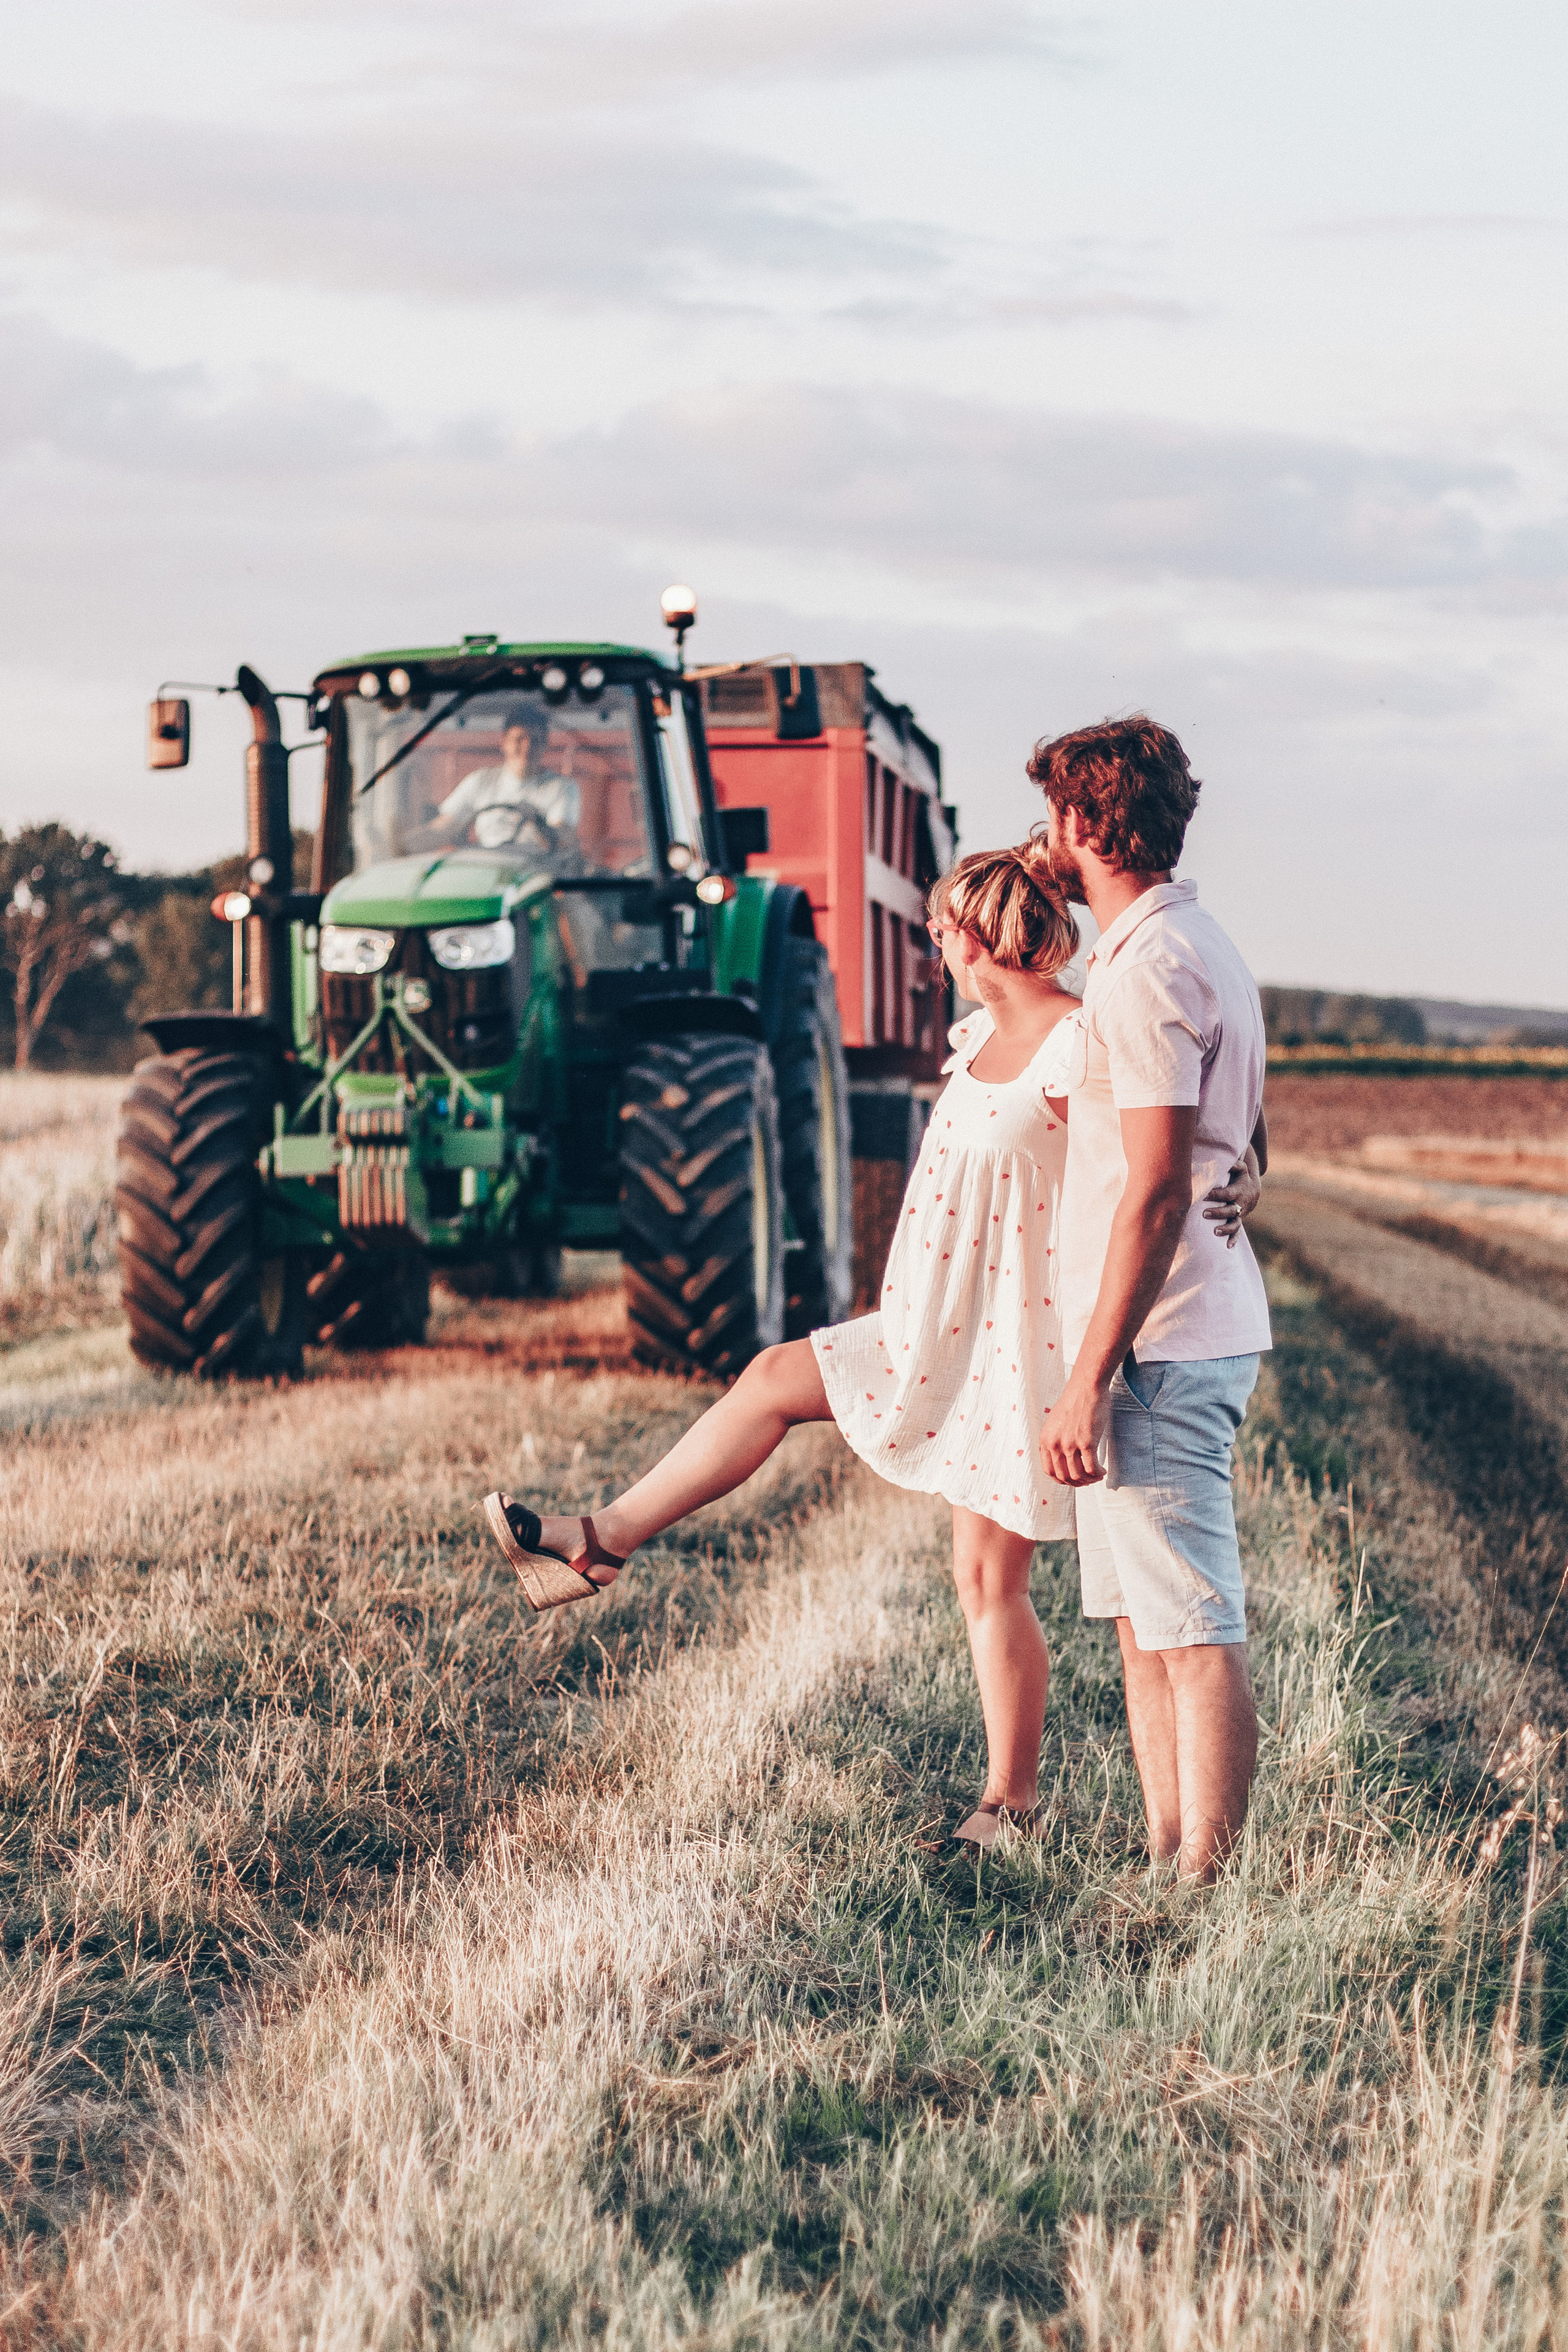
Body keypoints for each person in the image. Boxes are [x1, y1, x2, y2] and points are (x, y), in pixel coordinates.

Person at [481, 846, 1258, 1850]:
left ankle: (1011, 1804)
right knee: (770, 1380)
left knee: (986, 1575)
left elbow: (1170, 1154)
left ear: (970, 937)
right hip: (933, 1321)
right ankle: (600, 1540)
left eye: (939, 925)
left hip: (1019, 1340)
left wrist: (1243, 1176)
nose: (931, 940)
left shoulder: (1077, 1046)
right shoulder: (975, 1038)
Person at [1031, 715, 1271, 1883]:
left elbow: (1158, 1186)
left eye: (1053, 814)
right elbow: (1233, 1137)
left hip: (1158, 1346)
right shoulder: (1186, 943)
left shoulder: (1154, 965)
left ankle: (1206, 1889)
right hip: (1164, 1336)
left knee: (1194, 1627)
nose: (1046, 834)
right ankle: (1167, 1860)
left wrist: (1086, 1378)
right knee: (1144, 1627)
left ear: (1086, 821)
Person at [429, 707, 580, 851]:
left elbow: (561, 840)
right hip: (487, 866)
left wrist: (538, 823)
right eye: (520, 739)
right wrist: (406, 847)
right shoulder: (480, 781)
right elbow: (443, 828)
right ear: (504, 741)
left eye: (536, 740)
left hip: (535, 870)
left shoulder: (562, 787)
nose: (527, 747)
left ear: (545, 744)